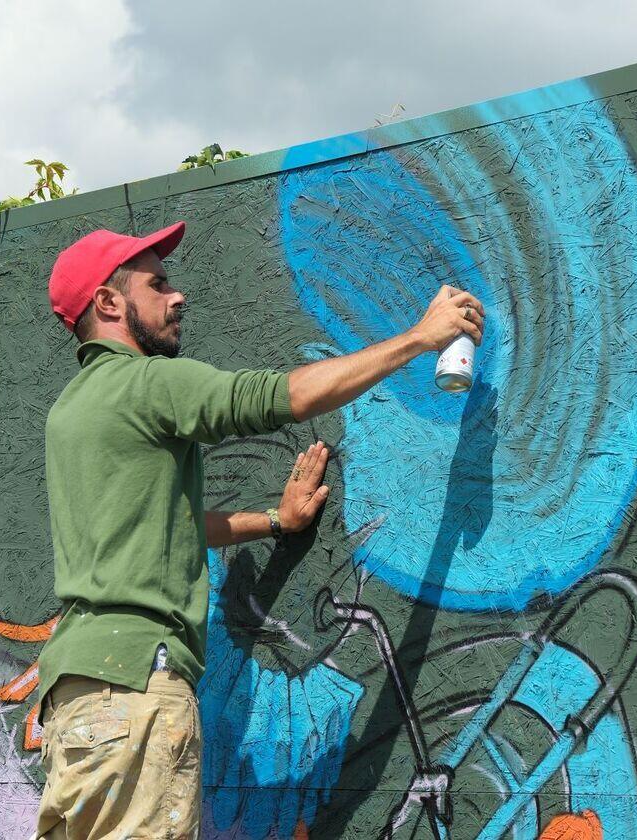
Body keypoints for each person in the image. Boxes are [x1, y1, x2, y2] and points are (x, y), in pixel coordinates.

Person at [32, 221, 484, 839]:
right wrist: (418, 338)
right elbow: (279, 397)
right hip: (136, 685)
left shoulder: (72, 411)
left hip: (77, 697)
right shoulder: (144, 383)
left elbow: (173, 526)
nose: (177, 296)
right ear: (109, 303)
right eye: (157, 285)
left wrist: (276, 520)